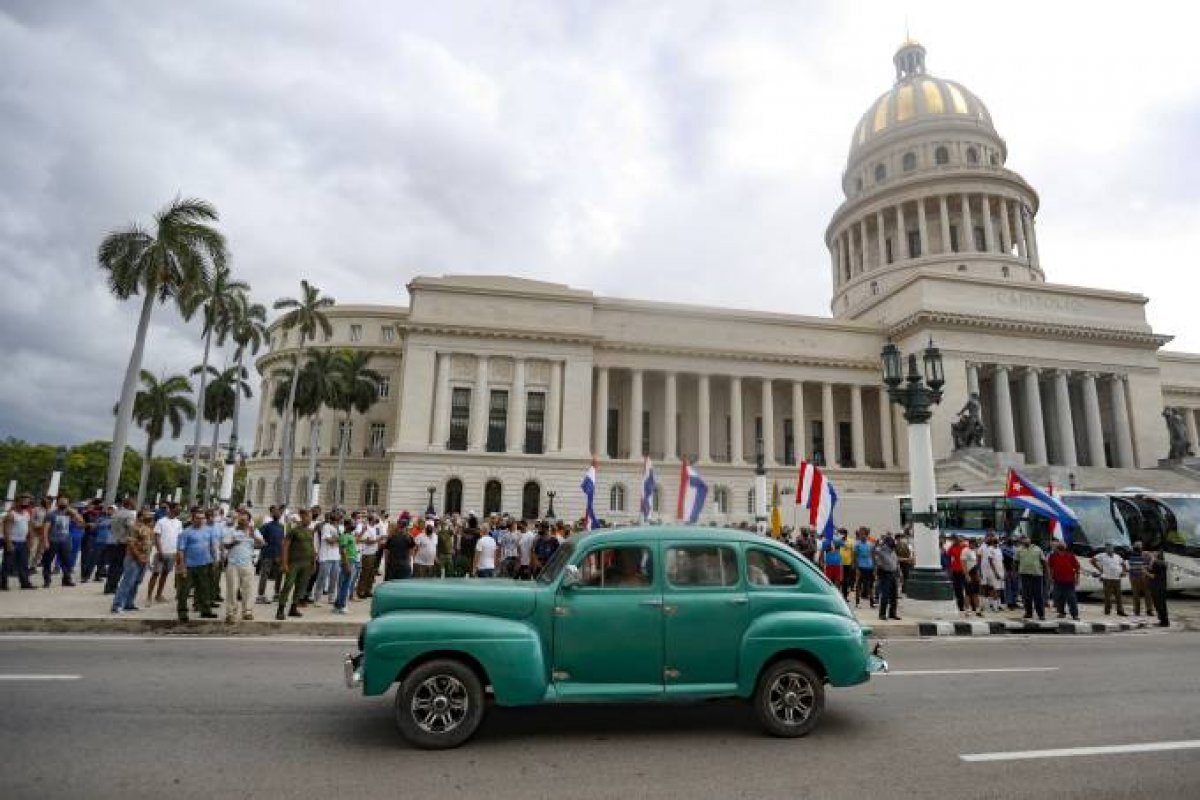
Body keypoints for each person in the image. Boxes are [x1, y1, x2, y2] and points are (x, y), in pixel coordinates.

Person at [175, 507, 218, 622]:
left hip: (204, 564)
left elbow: (212, 547)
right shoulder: (186, 533)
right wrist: (182, 567)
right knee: (184, 590)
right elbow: (180, 551)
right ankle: (182, 612)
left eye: (202, 518)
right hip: (189, 565)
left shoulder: (208, 531)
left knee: (204, 589)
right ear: (193, 519)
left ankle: (205, 610)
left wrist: (214, 560)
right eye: (198, 518)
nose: (200, 520)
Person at [222, 511, 263, 623]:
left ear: (249, 521)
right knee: (232, 589)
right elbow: (225, 545)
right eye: (240, 519)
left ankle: (247, 612)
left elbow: (262, 544)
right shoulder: (232, 531)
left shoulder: (254, 531)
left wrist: (253, 536)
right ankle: (230, 614)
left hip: (247, 564)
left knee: (248, 589)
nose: (241, 521)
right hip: (233, 564)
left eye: (244, 520)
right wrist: (233, 543)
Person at [112, 509, 155, 614]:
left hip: (144, 559)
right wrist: (138, 556)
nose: (150, 517)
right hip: (133, 559)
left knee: (136, 582)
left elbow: (149, 544)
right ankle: (117, 605)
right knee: (128, 582)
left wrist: (147, 559)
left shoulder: (148, 528)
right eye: (147, 515)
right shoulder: (134, 528)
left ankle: (129, 603)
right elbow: (131, 544)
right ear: (140, 516)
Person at [277, 509, 316, 620]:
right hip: (294, 563)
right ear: (302, 517)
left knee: (301, 586)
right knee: (288, 585)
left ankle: (293, 608)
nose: (309, 519)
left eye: (311, 517)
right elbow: (285, 546)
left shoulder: (310, 531)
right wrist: (284, 563)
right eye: (308, 517)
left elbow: (312, 547)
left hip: (306, 563)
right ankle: (280, 610)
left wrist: (313, 563)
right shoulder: (294, 531)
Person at [42, 496, 82, 588]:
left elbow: (81, 523)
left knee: (66, 561)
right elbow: (45, 529)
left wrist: (74, 513)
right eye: (62, 502)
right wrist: (45, 541)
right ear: (57, 503)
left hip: (65, 541)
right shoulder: (51, 514)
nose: (63, 503)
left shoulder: (69, 514)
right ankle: (47, 580)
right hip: (53, 540)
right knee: (48, 561)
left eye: (65, 502)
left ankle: (67, 579)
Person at [146, 503, 182, 605]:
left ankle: (159, 594)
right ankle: (149, 596)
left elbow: (179, 537)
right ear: (170, 509)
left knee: (165, 574)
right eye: (177, 509)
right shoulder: (161, 521)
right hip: (161, 552)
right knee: (156, 573)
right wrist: (160, 550)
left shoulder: (179, 523)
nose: (179, 511)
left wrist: (178, 551)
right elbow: (157, 537)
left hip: (172, 552)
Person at [2, 493, 37, 590]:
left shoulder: (26, 514)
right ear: (17, 502)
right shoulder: (11, 515)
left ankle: (25, 583)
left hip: (23, 542)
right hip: (13, 542)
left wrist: (31, 539)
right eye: (23, 501)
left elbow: (29, 528)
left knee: (23, 563)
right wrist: (8, 543)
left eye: (27, 501)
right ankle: (3, 583)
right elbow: (6, 530)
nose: (26, 503)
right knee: (7, 564)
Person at [104, 497, 136, 594]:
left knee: (112, 565)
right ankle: (113, 586)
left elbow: (109, 526)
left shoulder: (116, 513)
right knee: (119, 566)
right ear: (130, 504)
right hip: (122, 542)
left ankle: (108, 586)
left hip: (112, 540)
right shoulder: (129, 514)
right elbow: (130, 527)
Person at [310, 510, 342, 604]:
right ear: (333, 519)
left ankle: (331, 597)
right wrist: (339, 539)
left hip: (336, 557)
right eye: (338, 518)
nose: (339, 520)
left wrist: (338, 538)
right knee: (322, 578)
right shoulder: (326, 527)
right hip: (326, 557)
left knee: (334, 578)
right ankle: (317, 598)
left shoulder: (338, 528)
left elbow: (339, 540)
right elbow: (329, 540)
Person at [255, 506, 285, 604]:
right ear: (272, 514)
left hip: (278, 554)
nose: (277, 514)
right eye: (275, 512)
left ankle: (277, 594)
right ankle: (261, 595)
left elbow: (282, 541)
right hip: (267, 554)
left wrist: (281, 554)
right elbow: (257, 532)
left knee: (279, 575)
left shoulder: (281, 527)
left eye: (279, 512)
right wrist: (262, 541)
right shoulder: (267, 526)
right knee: (264, 574)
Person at [1046, 539, 1080, 621]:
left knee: (1071, 598)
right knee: (1058, 597)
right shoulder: (1053, 556)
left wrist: (1077, 578)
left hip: (1069, 581)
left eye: (1062, 545)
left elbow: (1077, 567)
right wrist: (1050, 577)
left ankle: (1074, 615)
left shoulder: (1070, 555)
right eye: (1059, 545)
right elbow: (1050, 567)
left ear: (1065, 547)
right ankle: (1061, 612)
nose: (1061, 546)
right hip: (1057, 580)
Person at [1090, 543, 1128, 616]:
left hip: (1117, 578)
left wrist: (1124, 572)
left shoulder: (1117, 556)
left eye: (1111, 548)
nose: (1109, 549)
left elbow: (1123, 564)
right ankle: (1107, 610)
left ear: (1113, 549)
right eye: (1108, 548)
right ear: (1106, 549)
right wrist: (1099, 569)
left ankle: (1120, 611)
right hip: (1107, 578)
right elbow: (1092, 560)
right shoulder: (1102, 555)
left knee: (1119, 595)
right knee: (1107, 595)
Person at [1016, 535, 1046, 621]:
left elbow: (1043, 562)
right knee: (1026, 595)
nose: (1026, 540)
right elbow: (1016, 562)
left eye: (1027, 538)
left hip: (1037, 575)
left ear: (1030, 540)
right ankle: (1028, 613)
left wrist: (1046, 573)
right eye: (1024, 539)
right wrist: (1015, 572)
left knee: (1038, 595)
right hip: (1025, 575)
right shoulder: (1019, 550)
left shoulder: (1038, 549)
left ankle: (1041, 614)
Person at [872, 533, 901, 620]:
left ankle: (892, 613)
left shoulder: (893, 552)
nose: (892, 545)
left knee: (894, 595)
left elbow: (896, 562)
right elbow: (873, 551)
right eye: (891, 543)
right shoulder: (882, 550)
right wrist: (877, 544)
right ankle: (882, 614)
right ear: (887, 543)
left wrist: (899, 572)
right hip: (885, 574)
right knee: (885, 594)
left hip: (893, 574)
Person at [332, 520, 358, 614]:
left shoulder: (351, 535)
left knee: (345, 584)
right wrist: (346, 564)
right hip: (348, 562)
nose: (353, 525)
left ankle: (337, 605)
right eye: (351, 524)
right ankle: (342, 606)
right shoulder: (344, 536)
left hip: (352, 560)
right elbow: (343, 550)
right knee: (346, 585)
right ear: (346, 525)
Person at [1127, 542, 1156, 618]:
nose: (1138, 548)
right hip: (1134, 576)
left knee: (1148, 594)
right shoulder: (1131, 554)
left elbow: (1153, 557)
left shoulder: (1145, 554)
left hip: (1144, 576)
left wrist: (1150, 564)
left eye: (1139, 546)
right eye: (1137, 546)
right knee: (1136, 594)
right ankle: (1136, 611)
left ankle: (1149, 610)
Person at [356, 513, 382, 596]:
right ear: (371, 519)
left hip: (374, 552)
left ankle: (368, 590)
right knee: (365, 573)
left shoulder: (375, 528)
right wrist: (375, 541)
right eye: (375, 518)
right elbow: (361, 540)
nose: (377, 520)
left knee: (372, 573)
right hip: (367, 553)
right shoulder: (366, 527)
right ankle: (361, 591)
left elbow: (377, 538)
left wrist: (378, 540)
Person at [979, 533, 1005, 613]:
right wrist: (980, 570)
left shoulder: (998, 549)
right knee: (989, 588)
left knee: (999, 588)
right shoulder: (985, 548)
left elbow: (1001, 561)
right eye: (991, 537)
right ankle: (988, 605)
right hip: (988, 570)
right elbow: (983, 560)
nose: (993, 538)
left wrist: (1004, 570)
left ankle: (997, 604)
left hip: (999, 570)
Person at [853, 528, 875, 608]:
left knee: (870, 585)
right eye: (860, 534)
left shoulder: (871, 544)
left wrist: (874, 568)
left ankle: (872, 602)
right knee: (858, 585)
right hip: (860, 567)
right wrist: (857, 568)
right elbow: (855, 557)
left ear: (866, 535)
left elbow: (873, 556)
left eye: (863, 534)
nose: (862, 535)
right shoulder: (857, 545)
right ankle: (857, 602)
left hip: (869, 567)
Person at [1147, 548, 1170, 627]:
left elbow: (1153, 575)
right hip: (1162, 586)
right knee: (1162, 604)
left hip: (1157, 587)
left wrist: (1144, 572)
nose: (1150, 553)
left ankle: (1163, 621)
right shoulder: (1162, 563)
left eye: (1152, 552)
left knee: (1158, 604)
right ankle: (1164, 620)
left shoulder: (1156, 563)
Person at [946, 535, 968, 614]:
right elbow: (947, 556)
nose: (957, 541)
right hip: (955, 570)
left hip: (963, 570)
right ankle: (960, 605)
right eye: (956, 540)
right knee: (956, 588)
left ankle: (963, 606)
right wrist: (949, 568)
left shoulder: (964, 547)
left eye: (959, 540)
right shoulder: (952, 547)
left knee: (962, 588)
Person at [962, 537, 982, 616]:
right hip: (968, 573)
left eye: (975, 544)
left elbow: (976, 564)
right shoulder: (965, 551)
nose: (974, 545)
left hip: (975, 573)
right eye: (973, 544)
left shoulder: (975, 551)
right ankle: (967, 610)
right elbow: (963, 564)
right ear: (970, 543)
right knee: (968, 593)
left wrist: (978, 575)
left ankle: (977, 610)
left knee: (976, 592)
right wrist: (967, 575)